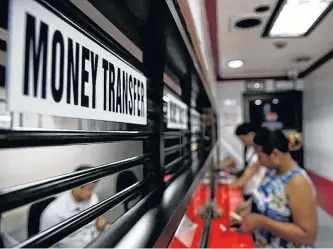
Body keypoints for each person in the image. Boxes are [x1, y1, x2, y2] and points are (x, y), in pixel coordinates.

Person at [237, 130, 317, 248]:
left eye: (260, 157)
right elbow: (269, 198)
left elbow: (308, 236)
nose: (259, 162)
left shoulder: (298, 183)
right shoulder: (272, 172)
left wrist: (262, 222)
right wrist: (249, 206)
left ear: (275, 154)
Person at [40, 165, 110, 248]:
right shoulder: (53, 212)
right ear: (77, 186)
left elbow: (97, 219)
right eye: (90, 189)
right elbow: (49, 246)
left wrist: (107, 226)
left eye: (94, 188)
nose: (93, 192)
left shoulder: (92, 198)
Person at [229, 123, 268, 201]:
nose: (243, 142)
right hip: (248, 190)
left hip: (255, 193)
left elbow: (252, 169)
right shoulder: (250, 150)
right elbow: (248, 168)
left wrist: (232, 186)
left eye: (243, 139)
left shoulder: (262, 151)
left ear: (251, 135)